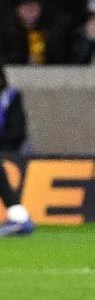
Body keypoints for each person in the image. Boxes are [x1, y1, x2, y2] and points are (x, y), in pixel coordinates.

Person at [0, 66, 35, 237]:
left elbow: (17, 132)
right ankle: (19, 217)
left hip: (9, 148)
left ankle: (19, 217)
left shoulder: (10, 97)